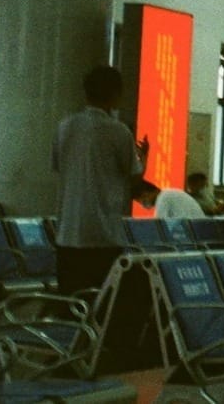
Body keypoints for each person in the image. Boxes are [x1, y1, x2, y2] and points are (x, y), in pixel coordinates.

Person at [52, 65, 149, 293]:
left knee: (72, 306)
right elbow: (135, 179)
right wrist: (144, 158)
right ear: (115, 94)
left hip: (67, 235)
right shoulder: (118, 131)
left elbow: (60, 169)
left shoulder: (63, 128)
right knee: (102, 308)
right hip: (103, 237)